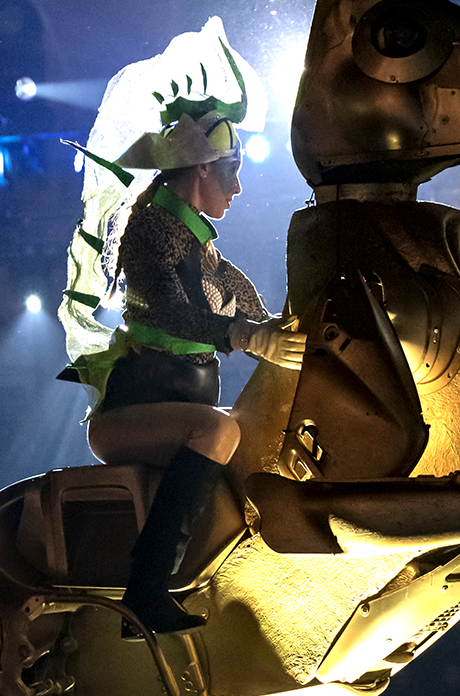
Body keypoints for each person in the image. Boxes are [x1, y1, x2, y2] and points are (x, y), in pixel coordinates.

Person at [73, 100, 303, 634]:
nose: (238, 188)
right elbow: (172, 311)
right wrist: (245, 336)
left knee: (251, 428)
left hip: (171, 409)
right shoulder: (151, 232)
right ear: (202, 168)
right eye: (233, 172)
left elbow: (266, 317)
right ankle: (145, 589)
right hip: (125, 419)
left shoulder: (209, 256)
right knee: (218, 427)